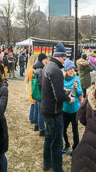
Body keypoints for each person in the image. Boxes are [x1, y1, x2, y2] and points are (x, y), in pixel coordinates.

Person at [39, 43, 72, 172]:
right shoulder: (56, 70)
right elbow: (58, 96)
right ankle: (57, 169)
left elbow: (49, 88)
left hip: (46, 109)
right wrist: (69, 98)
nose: (65, 61)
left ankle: (47, 164)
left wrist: (62, 89)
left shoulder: (47, 66)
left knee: (48, 138)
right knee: (56, 143)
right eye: (64, 59)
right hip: (54, 112)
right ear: (59, 57)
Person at [61, 59, 82, 155]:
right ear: (66, 70)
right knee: (63, 129)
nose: (72, 71)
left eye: (73, 69)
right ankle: (66, 145)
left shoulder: (76, 78)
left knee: (75, 130)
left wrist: (76, 88)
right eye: (70, 69)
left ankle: (76, 147)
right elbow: (60, 92)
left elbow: (80, 93)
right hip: (65, 108)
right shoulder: (62, 79)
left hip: (74, 109)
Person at [29, 53, 48, 136]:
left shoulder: (35, 68)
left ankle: (36, 125)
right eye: (45, 59)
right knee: (40, 112)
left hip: (36, 93)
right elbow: (41, 84)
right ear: (41, 60)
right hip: (40, 94)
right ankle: (42, 129)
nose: (47, 61)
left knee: (36, 110)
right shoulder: (40, 70)